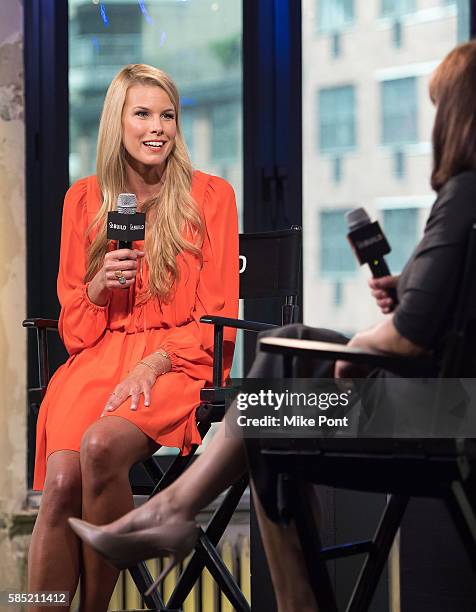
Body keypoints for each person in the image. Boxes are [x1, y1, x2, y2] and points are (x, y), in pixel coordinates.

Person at [69, 40, 476, 612]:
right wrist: (409, 288)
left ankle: (179, 513)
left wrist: (356, 349)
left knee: (274, 387)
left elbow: (404, 337)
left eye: (438, 108)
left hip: (432, 412)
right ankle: (180, 515)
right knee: (281, 375)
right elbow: (443, 309)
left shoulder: (461, 196)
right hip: (446, 403)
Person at [28, 64, 239, 612]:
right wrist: (97, 288)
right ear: (116, 124)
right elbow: (76, 334)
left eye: (167, 115)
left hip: (178, 362)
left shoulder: (211, 197)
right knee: (59, 480)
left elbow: (218, 317)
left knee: (100, 446)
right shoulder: (84, 201)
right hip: (97, 360)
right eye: (142, 113)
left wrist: (156, 361)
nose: (157, 127)